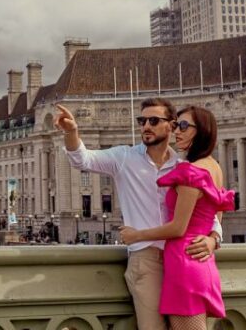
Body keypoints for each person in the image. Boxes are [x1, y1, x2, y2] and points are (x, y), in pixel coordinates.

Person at [55, 98, 222, 330]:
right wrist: (71, 132)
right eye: (142, 121)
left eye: (154, 121)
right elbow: (82, 159)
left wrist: (214, 238)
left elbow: (208, 210)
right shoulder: (125, 157)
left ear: (171, 125)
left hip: (182, 258)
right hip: (147, 259)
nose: (146, 126)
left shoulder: (183, 166)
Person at [120, 105, 234, 330]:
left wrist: (136, 235)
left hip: (184, 261)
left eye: (183, 126)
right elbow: (216, 214)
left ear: (201, 130)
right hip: (202, 260)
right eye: (175, 126)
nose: (176, 132)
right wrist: (213, 238)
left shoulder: (191, 172)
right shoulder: (214, 167)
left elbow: (178, 228)